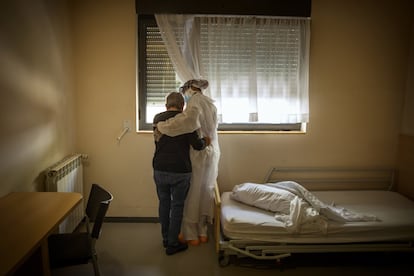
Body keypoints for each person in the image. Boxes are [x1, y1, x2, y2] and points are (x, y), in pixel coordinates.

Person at [156, 79, 220, 246]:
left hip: (187, 158)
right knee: (203, 191)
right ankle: (202, 231)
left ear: (190, 90)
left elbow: (186, 124)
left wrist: (162, 126)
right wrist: (206, 141)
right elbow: (199, 133)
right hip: (208, 153)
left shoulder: (194, 104)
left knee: (187, 197)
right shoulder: (211, 105)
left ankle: (186, 235)